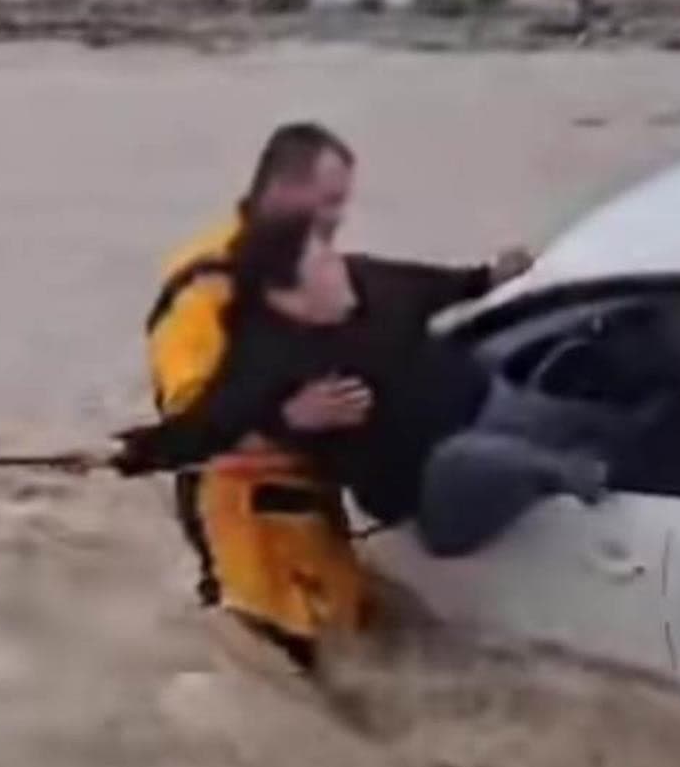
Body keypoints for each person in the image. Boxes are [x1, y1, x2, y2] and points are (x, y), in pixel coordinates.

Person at [144, 178, 534, 671]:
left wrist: (484, 280)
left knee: (355, 635)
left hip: (312, 493)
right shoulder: (200, 306)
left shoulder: (315, 271)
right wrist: (289, 416)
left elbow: (400, 286)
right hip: (239, 505)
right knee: (266, 648)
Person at [116, 213, 629, 583]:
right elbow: (198, 435)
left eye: (327, 254)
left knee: (569, 410)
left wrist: (493, 275)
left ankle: (615, 437)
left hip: (484, 402)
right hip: (431, 490)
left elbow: (445, 286)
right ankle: (562, 469)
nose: (335, 267)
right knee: (474, 458)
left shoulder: (372, 280)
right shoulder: (267, 360)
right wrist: (290, 417)